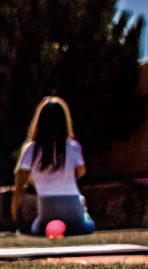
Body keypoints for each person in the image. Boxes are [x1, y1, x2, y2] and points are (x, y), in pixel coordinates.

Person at [12, 97, 96, 236]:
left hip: (47, 211)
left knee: (37, 229)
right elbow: (81, 171)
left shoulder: (31, 149)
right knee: (88, 225)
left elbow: (20, 182)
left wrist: (15, 214)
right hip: (73, 210)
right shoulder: (73, 146)